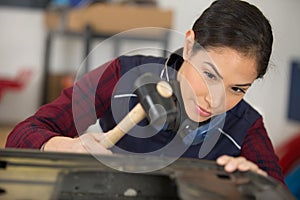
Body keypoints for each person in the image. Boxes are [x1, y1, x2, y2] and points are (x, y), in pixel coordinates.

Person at [6, 0, 285, 184]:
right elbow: (22, 135)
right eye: (208, 74)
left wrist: (256, 186)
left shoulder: (246, 127)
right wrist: (62, 145)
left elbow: (276, 189)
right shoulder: (121, 76)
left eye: (237, 88)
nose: (214, 100)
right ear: (189, 47)